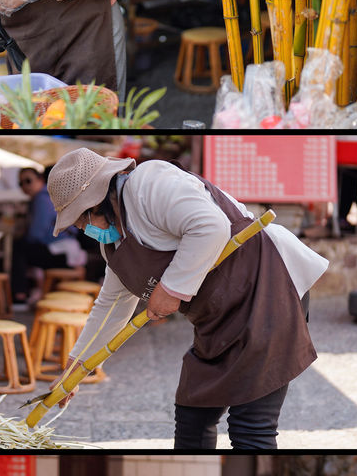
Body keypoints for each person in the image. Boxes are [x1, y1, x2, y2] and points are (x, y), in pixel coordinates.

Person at [46, 147, 330, 450]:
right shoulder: (115, 242)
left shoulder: (150, 184)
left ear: (97, 201)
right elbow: (111, 304)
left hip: (267, 288)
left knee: (251, 426)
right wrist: (76, 367)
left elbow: (210, 226)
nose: (80, 228)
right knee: (192, 416)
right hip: (218, 317)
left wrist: (171, 289)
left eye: (79, 218)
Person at [11, 166, 86, 308]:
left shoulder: (42, 199)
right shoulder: (47, 196)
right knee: (22, 247)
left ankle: (19, 295)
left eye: (28, 181)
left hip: (63, 253)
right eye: (21, 183)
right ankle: (26, 291)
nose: (25, 186)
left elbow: (36, 233)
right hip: (66, 250)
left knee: (19, 248)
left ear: (40, 179)